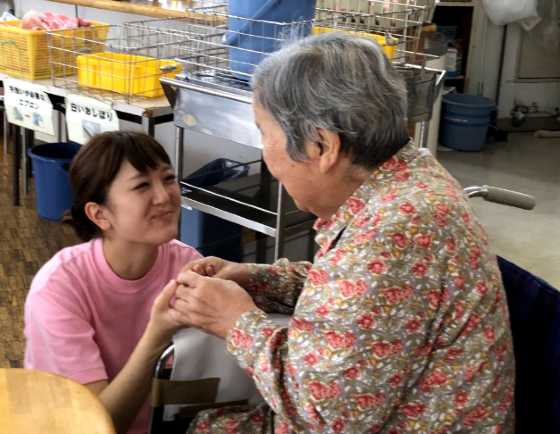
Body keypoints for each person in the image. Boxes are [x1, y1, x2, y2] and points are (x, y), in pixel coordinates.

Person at [170, 33, 516, 433]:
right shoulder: (408, 177)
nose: (265, 154)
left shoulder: (397, 231)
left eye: (265, 134)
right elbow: (359, 301)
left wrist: (235, 321)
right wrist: (261, 280)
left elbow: (325, 415)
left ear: (321, 145)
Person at [24, 131, 200, 434]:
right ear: (100, 214)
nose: (164, 197)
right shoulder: (59, 288)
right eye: (142, 185)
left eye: (168, 179)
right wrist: (157, 336)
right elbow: (93, 425)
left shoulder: (187, 265)